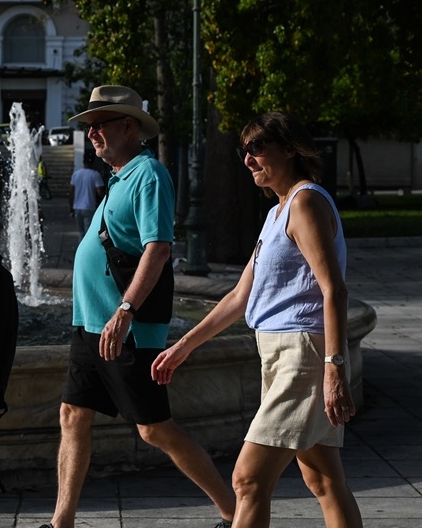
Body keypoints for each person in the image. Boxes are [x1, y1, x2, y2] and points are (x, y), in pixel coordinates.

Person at [152, 112, 362, 528]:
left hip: (303, 353)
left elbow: (333, 290)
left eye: (257, 148)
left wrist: (334, 368)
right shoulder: (277, 213)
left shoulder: (305, 202)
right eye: (243, 150)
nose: (247, 159)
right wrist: (183, 345)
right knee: (322, 479)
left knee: (247, 479)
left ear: (289, 149)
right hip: (280, 352)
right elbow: (238, 296)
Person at [40, 85, 235, 528]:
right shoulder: (119, 177)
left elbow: (158, 248)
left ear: (129, 125)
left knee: (154, 428)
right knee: (72, 414)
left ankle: (235, 512)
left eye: (100, 125)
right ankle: (61, 523)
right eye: (89, 127)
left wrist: (124, 311)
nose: (92, 134)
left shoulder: (149, 174)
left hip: (125, 328)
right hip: (91, 325)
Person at [68, 153, 105, 236]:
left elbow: (71, 192)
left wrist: (71, 206)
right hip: (89, 207)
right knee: (88, 233)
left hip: (77, 207)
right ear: (93, 163)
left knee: (81, 232)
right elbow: (99, 191)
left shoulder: (76, 174)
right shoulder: (95, 174)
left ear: (83, 162)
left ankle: (80, 248)